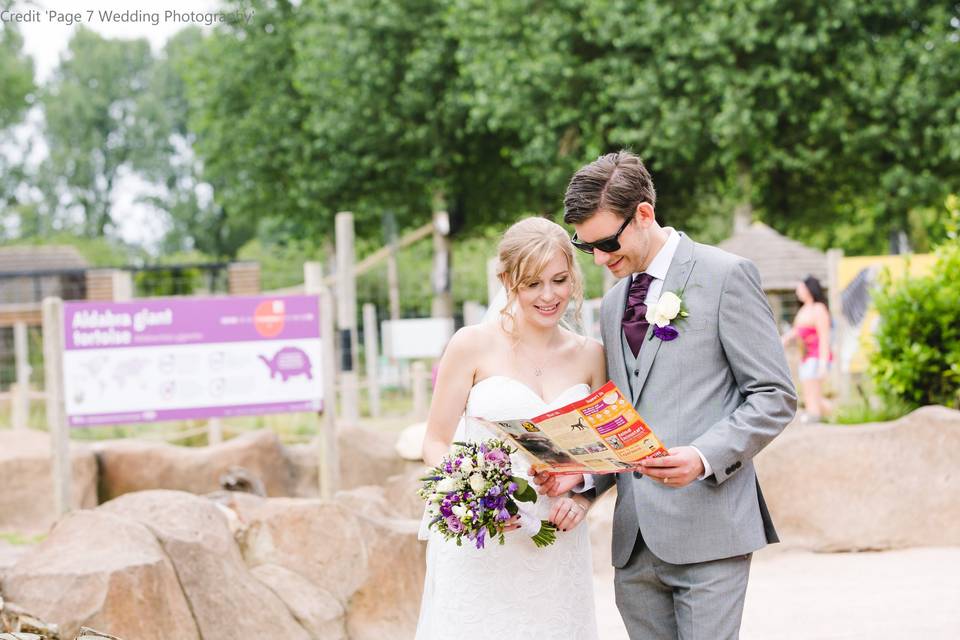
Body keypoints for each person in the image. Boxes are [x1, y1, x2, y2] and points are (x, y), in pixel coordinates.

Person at [536, 151, 797, 640]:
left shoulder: (726, 276)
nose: (599, 258)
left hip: (710, 532)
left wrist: (702, 456)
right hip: (633, 549)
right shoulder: (613, 303)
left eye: (607, 242)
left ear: (644, 214)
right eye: (586, 246)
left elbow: (774, 396)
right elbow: (621, 414)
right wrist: (586, 480)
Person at [416, 216, 606, 640]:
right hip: (484, 539)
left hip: (557, 539)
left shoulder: (592, 356)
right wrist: (476, 494)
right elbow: (435, 440)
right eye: (532, 283)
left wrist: (583, 497)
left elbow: (601, 454)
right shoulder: (471, 344)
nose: (549, 295)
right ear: (506, 280)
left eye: (559, 280)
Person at [781, 275, 833, 422]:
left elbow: (824, 337)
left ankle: (814, 417)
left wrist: (823, 364)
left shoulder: (819, 309)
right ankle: (828, 413)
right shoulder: (804, 310)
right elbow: (797, 331)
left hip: (817, 356)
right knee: (807, 390)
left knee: (813, 390)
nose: (798, 291)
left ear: (809, 289)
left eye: (800, 288)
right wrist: (782, 340)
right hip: (805, 356)